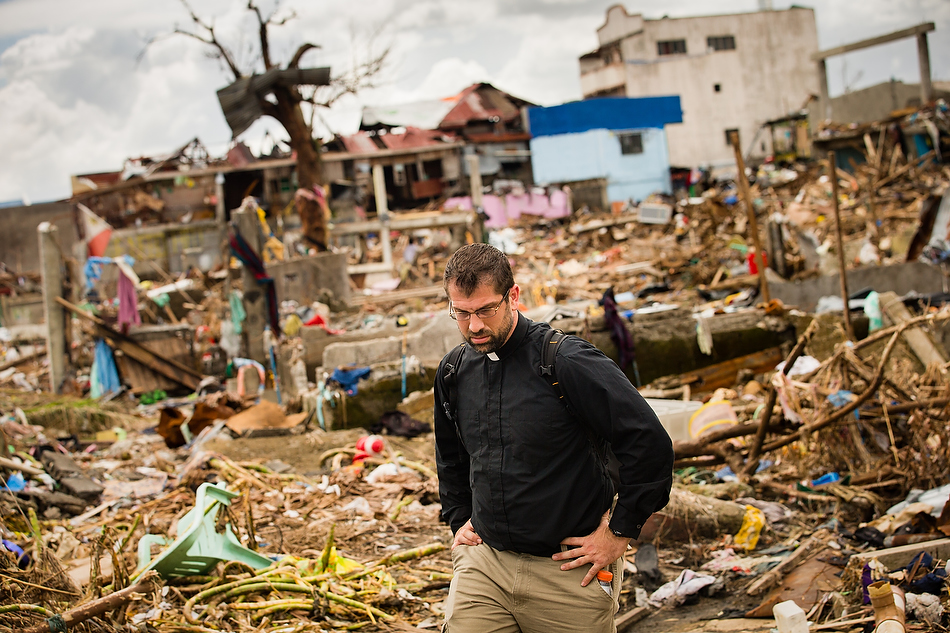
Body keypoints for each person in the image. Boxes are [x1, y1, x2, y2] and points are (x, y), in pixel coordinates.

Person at [434, 243, 674, 633]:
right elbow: (451, 456)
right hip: (486, 566)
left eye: (485, 310)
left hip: (569, 572)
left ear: (513, 296)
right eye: (460, 313)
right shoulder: (453, 372)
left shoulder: (566, 362)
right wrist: (458, 517)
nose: (473, 325)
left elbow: (649, 443)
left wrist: (620, 532)